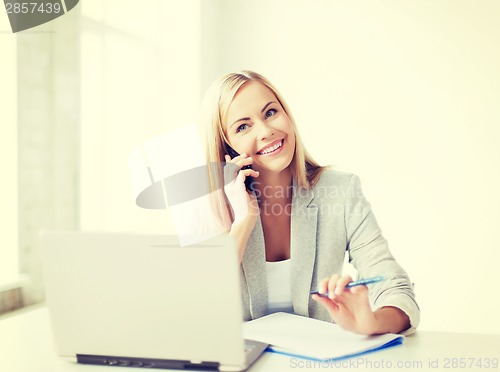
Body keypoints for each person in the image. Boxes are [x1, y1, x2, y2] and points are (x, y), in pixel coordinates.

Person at [200, 70, 419, 336]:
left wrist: (371, 322)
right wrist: (243, 221)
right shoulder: (210, 207)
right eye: (243, 126)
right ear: (227, 147)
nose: (267, 131)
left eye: (270, 113)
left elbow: (396, 287)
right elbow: (198, 309)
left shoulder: (340, 190)